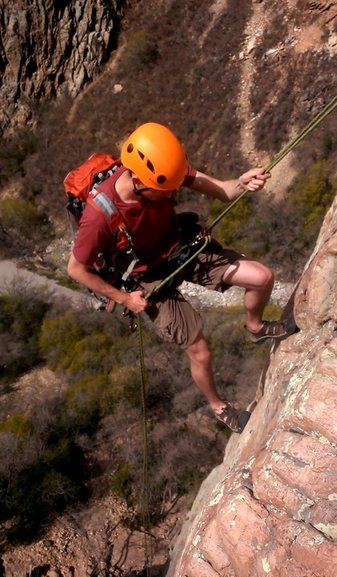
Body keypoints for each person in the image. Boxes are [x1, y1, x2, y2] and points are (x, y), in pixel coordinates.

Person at [67, 122, 295, 433]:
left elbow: (224, 191)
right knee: (200, 350)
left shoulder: (164, 171)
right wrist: (124, 299)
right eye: (165, 190)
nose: (174, 192)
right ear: (136, 180)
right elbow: (76, 269)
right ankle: (219, 407)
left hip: (180, 246)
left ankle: (255, 326)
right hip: (145, 278)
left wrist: (241, 182)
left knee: (262, 277)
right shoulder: (99, 217)